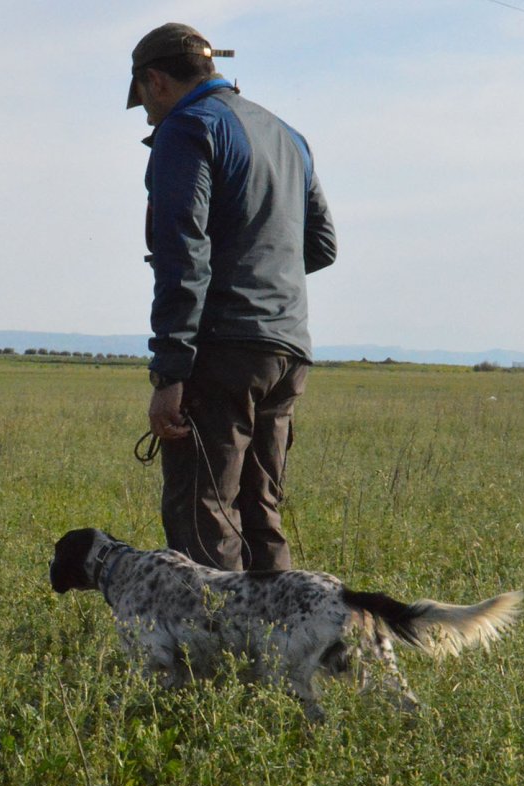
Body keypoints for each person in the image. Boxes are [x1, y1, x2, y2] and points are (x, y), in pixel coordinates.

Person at [128, 23, 336, 571]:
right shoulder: (288, 135)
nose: (147, 116)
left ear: (156, 81)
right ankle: (281, 627)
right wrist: (260, 271)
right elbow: (322, 246)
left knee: (205, 515)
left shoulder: (186, 128)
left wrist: (170, 374)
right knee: (260, 511)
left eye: (143, 100)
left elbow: (182, 253)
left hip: (221, 352)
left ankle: (215, 629)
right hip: (287, 350)